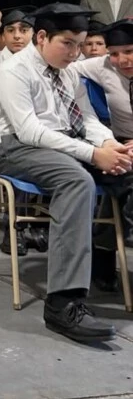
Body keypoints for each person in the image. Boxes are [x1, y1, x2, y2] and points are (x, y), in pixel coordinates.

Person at [0, 3, 133, 342]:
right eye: (67, 43)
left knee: (126, 167)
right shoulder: (13, 72)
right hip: (15, 148)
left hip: (65, 142)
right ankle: (62, 304)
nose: (75, 52)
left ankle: (101, 263)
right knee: (76, 179)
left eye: (80, 44)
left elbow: (88, 121)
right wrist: (94, 154)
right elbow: (30, 132)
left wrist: (112, 146)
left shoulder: (70, 72)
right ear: (41, 37)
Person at [79, 18, 133, 245]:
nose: (122, 60)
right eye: (114, 53)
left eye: (129, 51)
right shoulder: (102, 66)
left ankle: (102, 260)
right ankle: (102, 261)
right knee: (123, 170)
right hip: (121, 144)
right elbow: (62, 69)